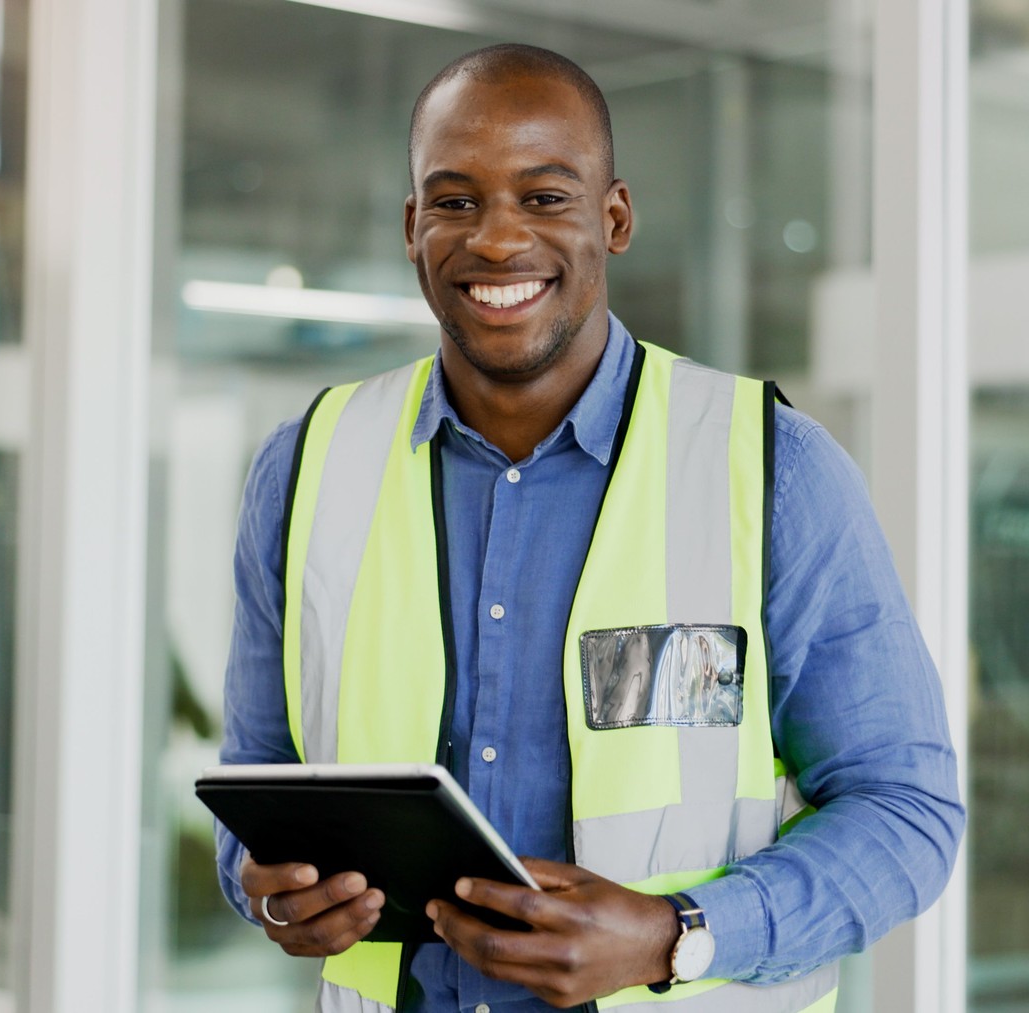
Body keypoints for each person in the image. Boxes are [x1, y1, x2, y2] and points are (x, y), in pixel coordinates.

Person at [215, 43, 962, 1013]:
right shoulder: (307, 463)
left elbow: (906, 813)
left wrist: (676, 932)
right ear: (412, 226)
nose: (494, 240)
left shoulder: (772, 468)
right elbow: (258, 789)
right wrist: (267, 890)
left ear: (613, 218)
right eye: (454, 201)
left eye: (544, 196)